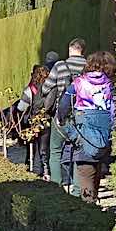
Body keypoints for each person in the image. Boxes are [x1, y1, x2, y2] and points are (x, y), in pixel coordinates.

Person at [63, 51, 116, 203]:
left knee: (86, 171)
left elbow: (64, 104)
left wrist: (62, 120)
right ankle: (93, 202)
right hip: (105, 134)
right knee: (97, 169)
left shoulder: (78, 82)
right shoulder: (111, 84)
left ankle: (89, 208)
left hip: (84, 132)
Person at [45, 38, 90, 187]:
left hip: (61, 116)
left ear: (70, 50)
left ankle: (56, 187)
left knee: (55, 152)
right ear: (83, 51)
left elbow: (46, 89)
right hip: (83, 116)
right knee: (79, 154)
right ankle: (77, 191)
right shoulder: (89, 67)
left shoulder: (60, 66)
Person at [15, 64, 52, 178]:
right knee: (45, 148)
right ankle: (46, 170)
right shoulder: (51, 89)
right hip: (47, 121)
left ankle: (32, 168)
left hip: (32, 122)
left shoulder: (30, 89)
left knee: (32, 147)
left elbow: (21, 107)